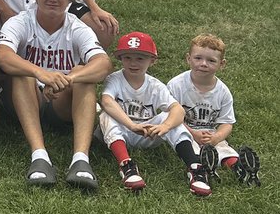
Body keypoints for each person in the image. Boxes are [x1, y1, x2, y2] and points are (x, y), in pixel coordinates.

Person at [0, 0, 113, 190]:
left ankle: (81, 160)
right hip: (27, 98)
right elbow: (2, 56)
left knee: (84, 75)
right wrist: (41, 73)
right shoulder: (20, 21)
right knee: (23, 73)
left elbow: (103, 63)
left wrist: (67, 79)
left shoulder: (77, 27)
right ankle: (39, 156)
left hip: (62, 100)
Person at [97, 32, 212, 196]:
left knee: (170, 117)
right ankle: (127, 165)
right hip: (123, 131)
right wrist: (131, 125)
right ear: (120, 58)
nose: (133, 63)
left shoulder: (155, 85)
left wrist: (165, 126)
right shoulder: (115, 79)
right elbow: (107, 101)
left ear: (152, 61)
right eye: (128, 57)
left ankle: (195, 167)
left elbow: (178, 110)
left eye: (140, 58)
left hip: (148, 134)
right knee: (106, 115)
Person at [166, 34, 260, 183]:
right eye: (198, 58)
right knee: (190, 145)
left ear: (221, 64)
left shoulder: (223, 92)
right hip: (184, 130)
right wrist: (193, 133)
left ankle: (238, 167)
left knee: (224, 148)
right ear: (188, 58)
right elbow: (169, 118)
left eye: (211, 60)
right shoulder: (176, 85)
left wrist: (216, 137)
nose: (203, 63)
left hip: (210, 133)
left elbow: (227, 123)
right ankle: (202, 166)